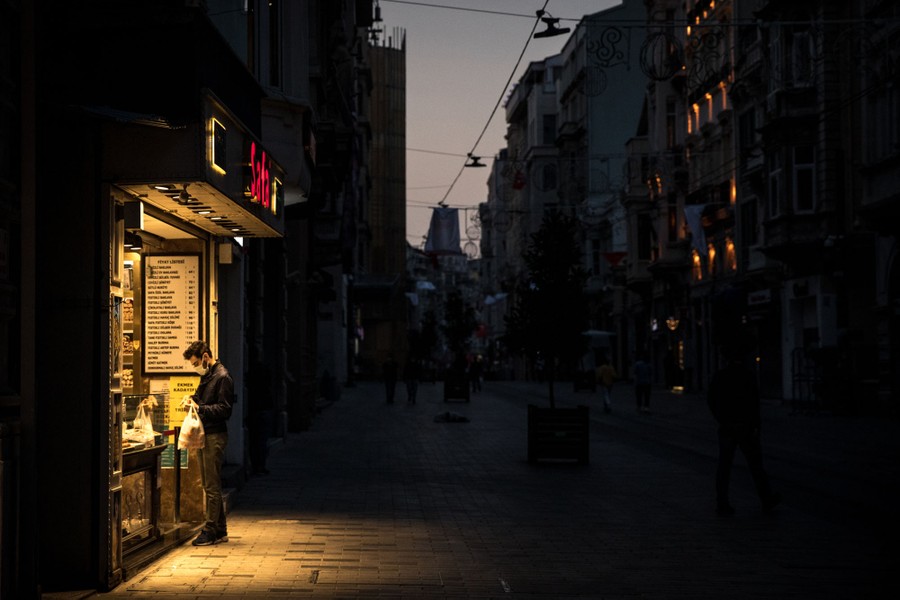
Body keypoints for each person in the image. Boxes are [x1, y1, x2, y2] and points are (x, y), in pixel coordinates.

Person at [707, 346, 781, 516]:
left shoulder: (721, 376)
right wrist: (756, 426)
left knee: (724, 466)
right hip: (746, 426)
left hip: (727, 427)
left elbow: (711, 399)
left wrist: (721, 418)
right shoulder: (747, 376)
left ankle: (722, 502)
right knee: (756, 465)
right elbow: (754, 404)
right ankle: (766, 498)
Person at [183, 340, 234, 546]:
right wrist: (191, 399)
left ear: (205, 356)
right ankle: (220, 530)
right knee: (208, 484)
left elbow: (224, 410)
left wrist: (200, 408)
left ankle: (211, 530)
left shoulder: (222, 377)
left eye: (196, 363)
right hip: (206, 434)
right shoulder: (209, 376)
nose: (195, 367)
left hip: (215, 435)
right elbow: (201, 399)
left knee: (211, 486)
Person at [246, 359, 273, 475]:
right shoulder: (266, 385)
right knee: (262, 440)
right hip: (263, 410)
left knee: (255, 440)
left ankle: (256, 465)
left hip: (254, 410)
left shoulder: (252, 384)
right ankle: (260, 465)